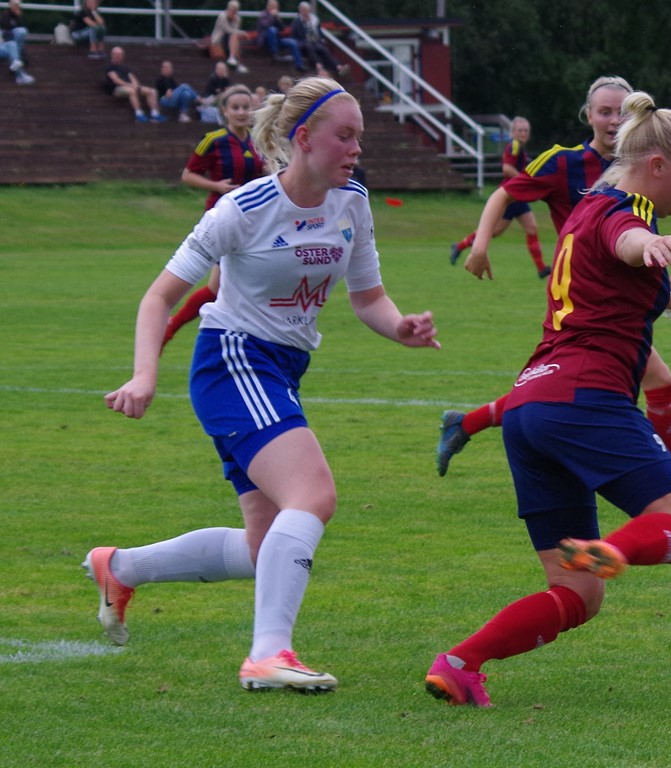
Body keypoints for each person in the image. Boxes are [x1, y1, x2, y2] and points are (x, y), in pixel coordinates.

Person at [91, 76, 440, 692]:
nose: (357, 149)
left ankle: (120, 567)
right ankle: (268, 655)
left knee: (264, 546)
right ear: (303, 139)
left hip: (281, 370)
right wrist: (146, 374)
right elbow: (159, 296)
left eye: (360, 137)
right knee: (314, 494)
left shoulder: (351, 200)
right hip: (233, 362)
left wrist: (401, 327)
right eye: (345, 136)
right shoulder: (243, 210)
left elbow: (370, 299)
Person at [425, 90, 671, 708]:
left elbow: (609, 267)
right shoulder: (629, 210)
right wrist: (653, 246)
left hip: (530, 407)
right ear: (657, 165)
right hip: (586, 401)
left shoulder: (586, 206)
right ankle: (614, 548)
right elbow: (627, 243)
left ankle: (460, 662)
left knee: (577, 594)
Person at [439, 76, 671, 504]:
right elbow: (618, 235)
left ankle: (465, 425)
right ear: (588, 115)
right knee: (575, 393)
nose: (613, 121)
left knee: (545, 392)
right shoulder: (572, 168)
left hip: (607, 296)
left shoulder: (645, 168)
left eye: (621, 112)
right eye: (604, 111)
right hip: (588, 302)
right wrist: (479, 243)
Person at [164, 84, 265, 349]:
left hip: (255, 219)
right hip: (223, 218)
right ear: (224, 111)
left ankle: (241, 336)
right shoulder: (214, 140)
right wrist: (218, 187)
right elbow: (188, 175)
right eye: (235, 108)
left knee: (245, 283)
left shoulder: (259, 140)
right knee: (217, 286)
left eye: (246, 107)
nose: (242, 112)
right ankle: (171, 327)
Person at [449, 116, 549, 277]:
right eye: (520, 130)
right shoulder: (514, 146)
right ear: (512, 133)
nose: (523, 133)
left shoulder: (520, 149)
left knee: (532, 228)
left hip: (519, 197)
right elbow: (507, 168)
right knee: (494, 231)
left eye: (526, 130)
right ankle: (459, 246)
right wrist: (526, 181)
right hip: (510, 196)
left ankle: (541, 268)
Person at [105, 46, 166, 123]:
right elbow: (116, 80)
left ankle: (155, 114)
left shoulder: (125, 67)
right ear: (112, 55)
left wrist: (136, 85)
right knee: (132, 91)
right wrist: (130, 85)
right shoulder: (110, 67)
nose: (118, 56)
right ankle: (139, 114)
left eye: (120, 54)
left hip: (130, 87)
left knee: (151, 91)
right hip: (117, 89)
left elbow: (132, 77)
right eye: (116, 54)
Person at [291, 2, 346, 78]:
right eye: (303, 10)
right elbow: (295, 35)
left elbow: (319, 33)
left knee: (323, 49)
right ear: (300, 11)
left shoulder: (314, 20)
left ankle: (338, 66)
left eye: (306, 10)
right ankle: (318, 65)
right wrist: (305, 24)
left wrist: (321, 40)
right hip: (302, 42)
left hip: (315, 42)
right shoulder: (297, 21)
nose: (305, 12)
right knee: (309, 45)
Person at [257, 0, 303, 71]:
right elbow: (266, 25)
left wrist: (277, 19)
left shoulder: (276, 16)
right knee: (272, 29)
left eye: (276, 6)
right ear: (268, 6)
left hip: (276, 40)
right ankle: (274, 53)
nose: (275, 8)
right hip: (265, 40)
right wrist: (272, 17)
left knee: (292, 42)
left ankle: (299, 65)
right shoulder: (263, 14)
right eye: (273, 6)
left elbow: (282, 28)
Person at [211, 0, 249, 75]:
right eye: (232, 10)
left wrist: (239, 31)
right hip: (219, 40)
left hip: (229, 40)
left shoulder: (237, 18)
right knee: (234, 35)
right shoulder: (222, 16)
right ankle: (234, 59)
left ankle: (234, 59)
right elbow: (228, 30)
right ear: (228, 9)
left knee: (235, 37)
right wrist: (243, 33)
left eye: (235, 10)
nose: (233, 12)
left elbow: (234, 31)